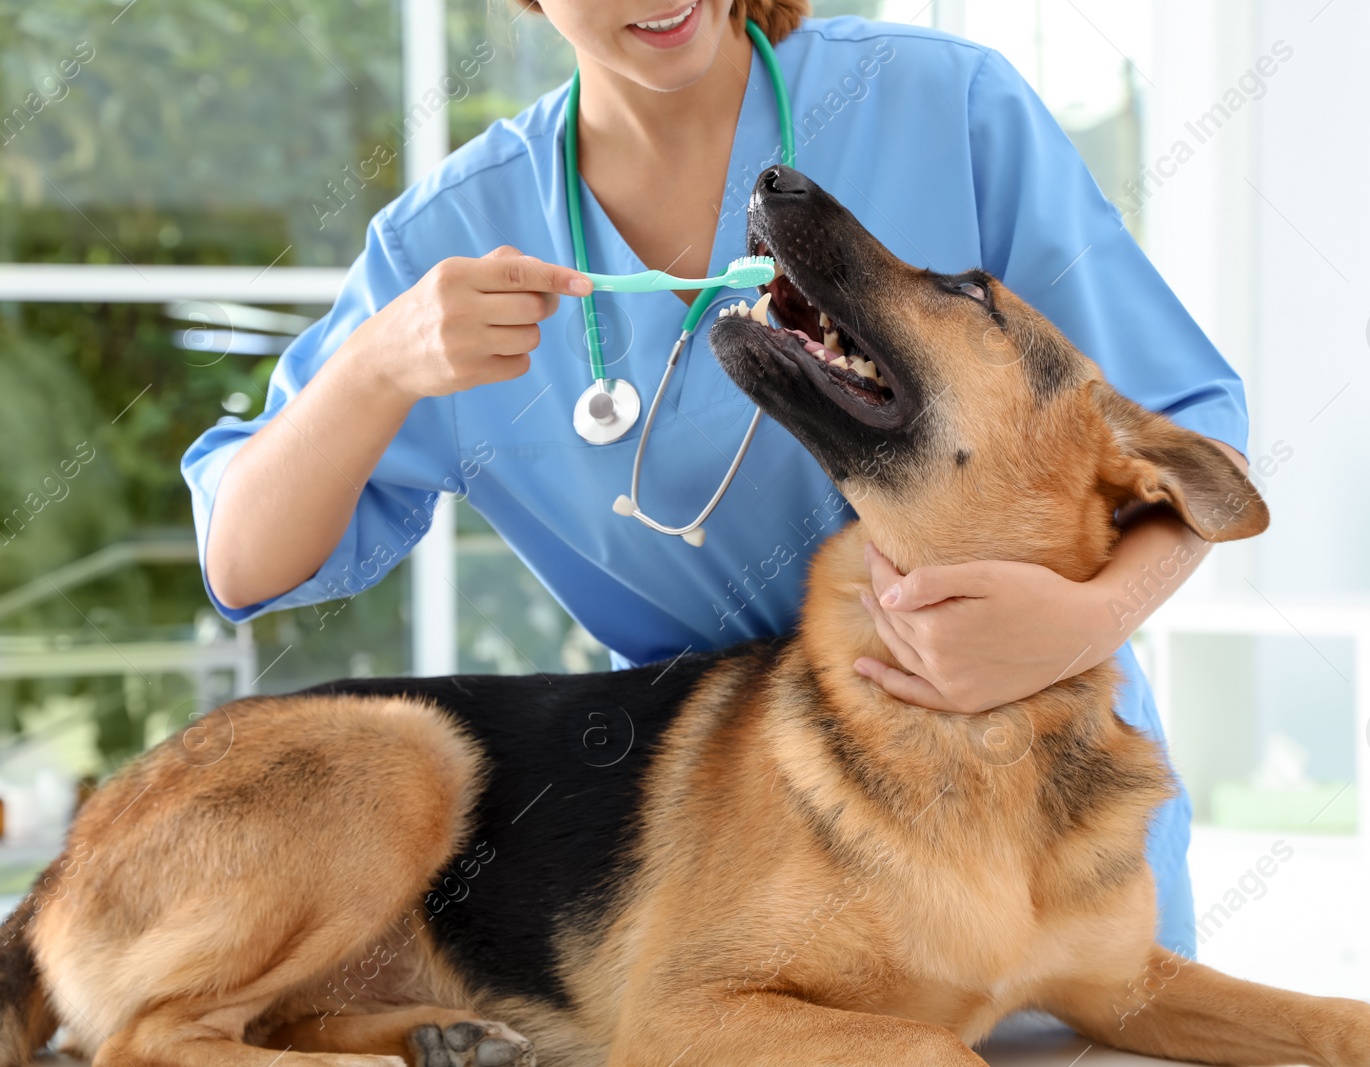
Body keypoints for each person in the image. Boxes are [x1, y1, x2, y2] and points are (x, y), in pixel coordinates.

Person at [181, 0, 1252, 957]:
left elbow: (1185, 441)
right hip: (745, 863)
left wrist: (1082, 620)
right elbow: (245, 557)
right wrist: (375, 366)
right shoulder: (451, 239)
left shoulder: (945, 106)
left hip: (1039, 807)